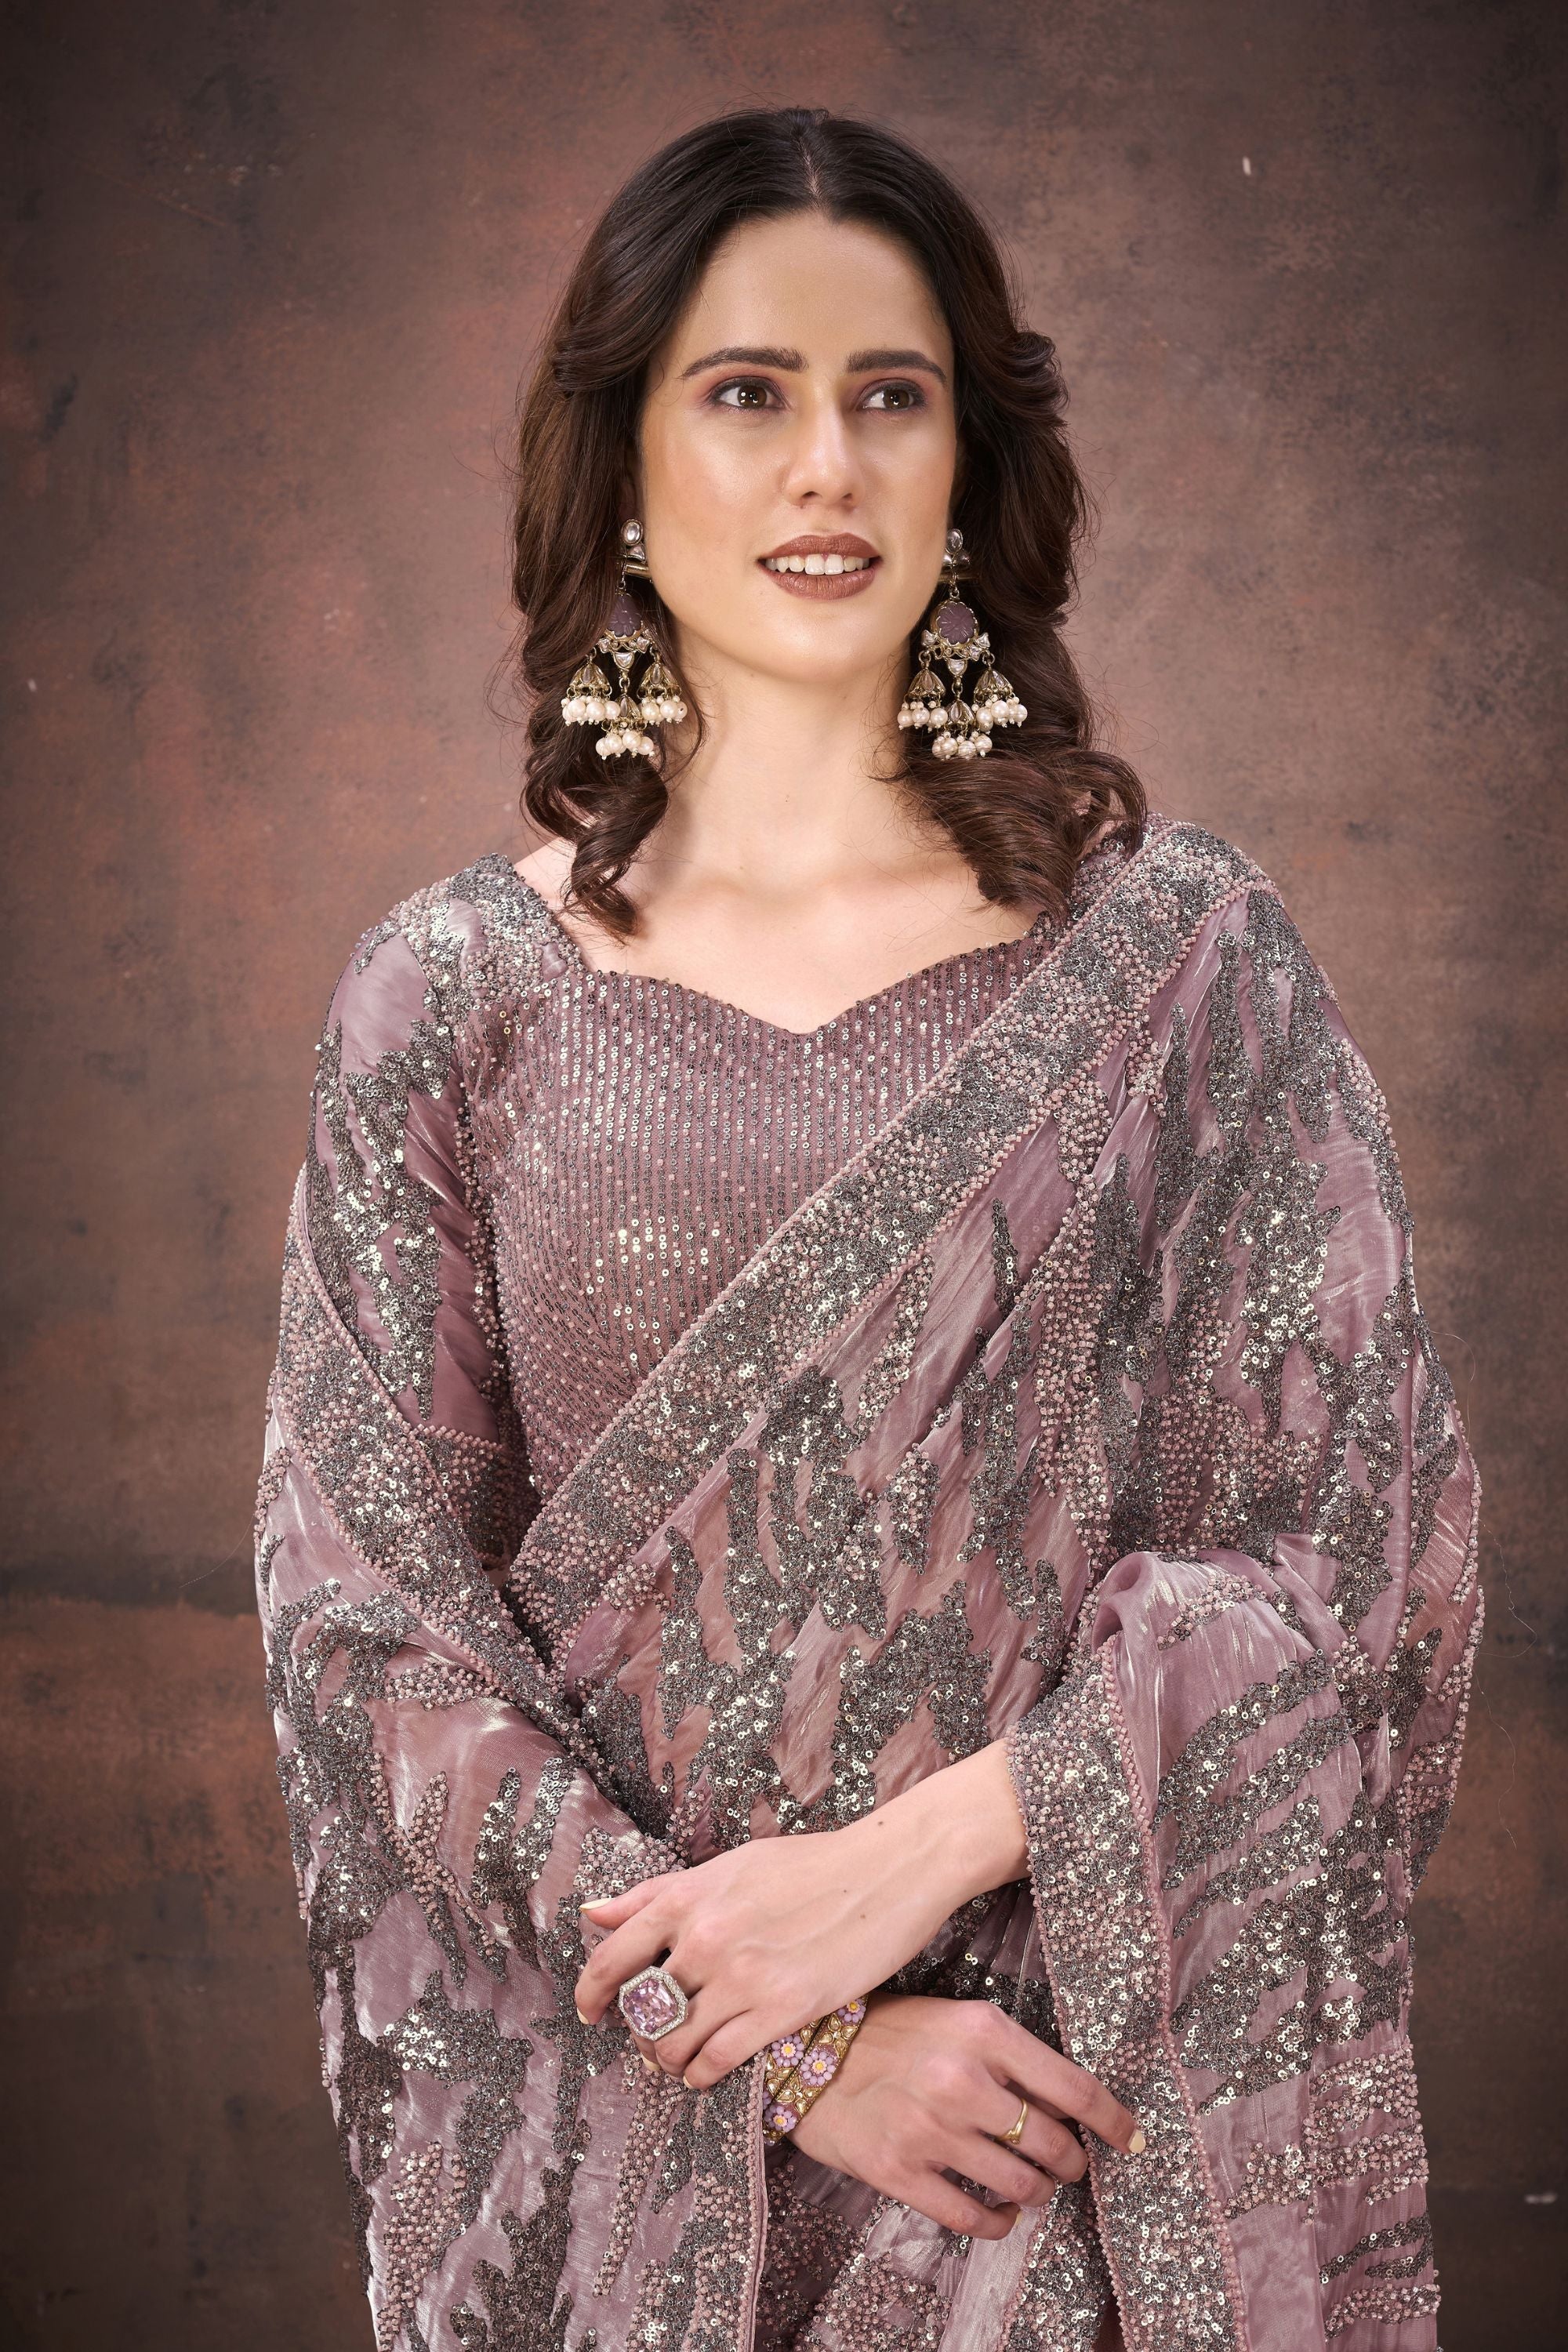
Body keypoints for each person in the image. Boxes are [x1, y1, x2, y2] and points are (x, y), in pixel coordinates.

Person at [254, 107, 1479, 2352]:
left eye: (888, 396)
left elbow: (1357, 1572)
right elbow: (370, 1644)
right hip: (649, 2172)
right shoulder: (450, 1004)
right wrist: (788, 2040)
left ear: (965, 468)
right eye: (748, 393)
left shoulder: (1181, 971)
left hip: (1063, 2149)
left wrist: (912, 1866)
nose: (826, 466)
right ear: (627, 466)